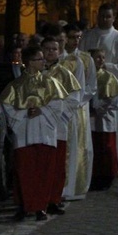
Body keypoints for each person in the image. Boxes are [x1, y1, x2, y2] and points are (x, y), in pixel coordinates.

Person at [0, 46, 68, 221]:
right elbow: (7, 107)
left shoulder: (50, 82)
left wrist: (41, 111)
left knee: (44, 171)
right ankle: (24, 206)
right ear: (29, 62)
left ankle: (41, 207)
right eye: (39, 59)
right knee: (25, 171)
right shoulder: (16, 85)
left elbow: (58, 105)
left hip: (45, 132)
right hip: (24, 133)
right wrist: (24, 113)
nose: (43, 62)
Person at [79, 3, 118, 173]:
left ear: (113, 17)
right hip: (89, 89)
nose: (104, 19)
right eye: (102, 16)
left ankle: (112, 165)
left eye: (108, 16)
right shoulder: (88, 36)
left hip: (109, 89)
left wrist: (105, 68)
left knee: (110, 130)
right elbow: (80, 60)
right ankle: (89, 165)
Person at [41, 37, 81, 215]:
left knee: (57, 165)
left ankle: (54, 199)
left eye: (54, 49)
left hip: (57, 126)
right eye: (47, 49)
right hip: (38, 126)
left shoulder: (64, 73)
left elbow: (74, 98)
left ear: (59, 51)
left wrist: (58, 115)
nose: (51, 52)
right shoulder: (35, 72)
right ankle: (38, 199)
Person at [61, 23, 97, 200]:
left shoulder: (85, 58)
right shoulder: (58, 58)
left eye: (78, 37)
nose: (76, 41)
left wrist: (78, 100)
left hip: (79, 108)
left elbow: (91, 86)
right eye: (72, 37)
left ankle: (76, 185)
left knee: (79, 146)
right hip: (59, 108)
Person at [88, 48, 118, 190]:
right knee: (94, 149)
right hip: (90, 120)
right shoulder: (85, 77)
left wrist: (100, 107)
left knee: (106, 148)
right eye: (97, 57)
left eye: (103, 57)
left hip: (105, 120)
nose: (101, 60)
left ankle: (107, 177)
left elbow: (115, 101)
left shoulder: (109, 77)